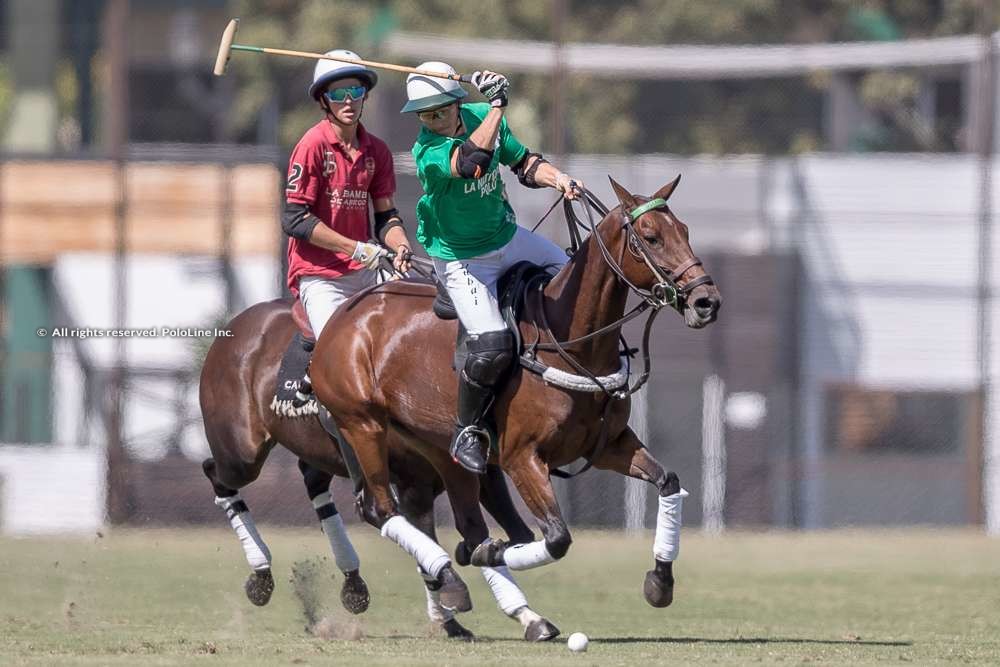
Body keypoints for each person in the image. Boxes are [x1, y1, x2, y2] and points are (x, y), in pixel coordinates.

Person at [401, 62, 584, 474]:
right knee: (492, 343)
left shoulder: (481, 116)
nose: (431, 120)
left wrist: (559, 179)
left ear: (457, 103)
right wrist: (499, 104)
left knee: (574, 278)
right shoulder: (427, 151)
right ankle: (468, 430)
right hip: (461, 259)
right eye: (423, 115)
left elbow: (522, 164)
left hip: (506, 236)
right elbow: (472, 161)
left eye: (438, 111)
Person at [283, 50, 413, 406]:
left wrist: (400, 245)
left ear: (365, 95)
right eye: (338, 94)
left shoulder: (378, 152)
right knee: (340, 360)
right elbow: (294, 219)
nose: (348, 101)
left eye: (355, 92)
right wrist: (355, 247)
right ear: (324, 99)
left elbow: (386, 217)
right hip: (321, 275)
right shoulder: (311, 146)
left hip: (367, 270)